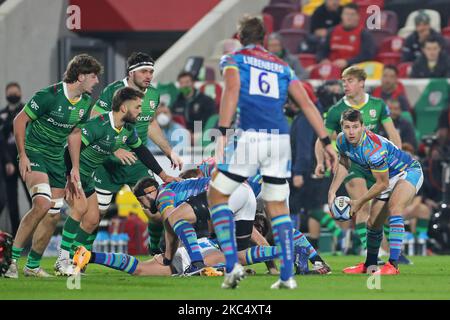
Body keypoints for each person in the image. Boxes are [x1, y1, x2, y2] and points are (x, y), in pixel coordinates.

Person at [207, 15, 337, 290]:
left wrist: (222, 131)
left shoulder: (234, 59)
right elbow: (308, 105)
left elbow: (231, 91)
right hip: (279, 139)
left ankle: (231, 267)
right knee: (277, 206)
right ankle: (287, 276)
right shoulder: (282, 66)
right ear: (264, 39)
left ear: (240, 37)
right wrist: (326, 141)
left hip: (250, 135)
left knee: (217, 194)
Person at [56, 52, 183, 273]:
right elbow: (96, 122)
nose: (149, 76)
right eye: (144, 71)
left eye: (151, 71)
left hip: (135, 162)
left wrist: (168, 152)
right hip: (106, 164)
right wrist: (115, 147)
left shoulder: (152, 95)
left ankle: (155, 252)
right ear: (131, 72)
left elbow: (149, 128)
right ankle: (77, 258)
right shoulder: (113, 92)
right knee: (93, 217)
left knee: (155, 212)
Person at [4, 54, 103, 278]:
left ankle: (32, 266)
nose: (96, 81)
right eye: (93, 76)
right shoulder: (49, 95)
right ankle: (11, 261)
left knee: (53, 214)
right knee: (41, 203)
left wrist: (74, 168)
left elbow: (75, 133)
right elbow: (19, 120)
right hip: (34, 152)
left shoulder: (85, 103)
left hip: (57, 159)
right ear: (80, 76)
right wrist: (23, 155)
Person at [315, 66, 401, 256]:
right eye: (343, 81)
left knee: (382, 211)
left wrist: (397, 160)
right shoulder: (337, 110)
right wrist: (320, 162)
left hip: (375, 163)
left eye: (350, 80)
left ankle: (390, 253)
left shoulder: (378, 105)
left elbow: (392, 133)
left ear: (362, 83)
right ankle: (370, 250)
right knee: (362, 202)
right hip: (351, 163)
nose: (345, 84)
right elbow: (321, 139)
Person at [328, 109, 423, 274]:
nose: (351, 132)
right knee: (372, 223)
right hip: (386, 178)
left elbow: (382, 183)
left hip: (407, 172)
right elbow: (344, 164)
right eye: (347, 127)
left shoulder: (373, 150)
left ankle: (393, 264)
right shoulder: (342, 140)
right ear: (342, 127)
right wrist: (332, 191)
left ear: (363, 127)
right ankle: (370, 265)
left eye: (355, 127)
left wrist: (359, 202)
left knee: (395, 208)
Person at [0, 82, 32, 237]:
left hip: (25, 159)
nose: (13, 95)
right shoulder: (2, 115)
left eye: (15, 92)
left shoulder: (27, 110)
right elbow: (1, 141)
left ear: (20, 93)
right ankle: (16, 237)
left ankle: (33, 235)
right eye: (10, 93)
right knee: (12, 203)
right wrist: (7, 161)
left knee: (33, 197)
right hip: (8, 164)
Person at [317, 3, 376, 70]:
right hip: (331, 69)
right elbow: (321, 51)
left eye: (352, 14)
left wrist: (347, 62)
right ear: (341, 15)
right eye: (346, 14)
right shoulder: (332, 31)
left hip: (353, 70)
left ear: (358, 16)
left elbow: (367, 56)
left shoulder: (365, 34)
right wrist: (323, 60)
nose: (349, 17)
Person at [171, 71, 217, 136]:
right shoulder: (176, 103)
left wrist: (194, 133)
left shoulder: (206, 100)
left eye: (187, 82)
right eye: (181, 83)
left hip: (202, 134)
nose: (184, 85)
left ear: (193, 83)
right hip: (181, 135)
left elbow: (210, 120)